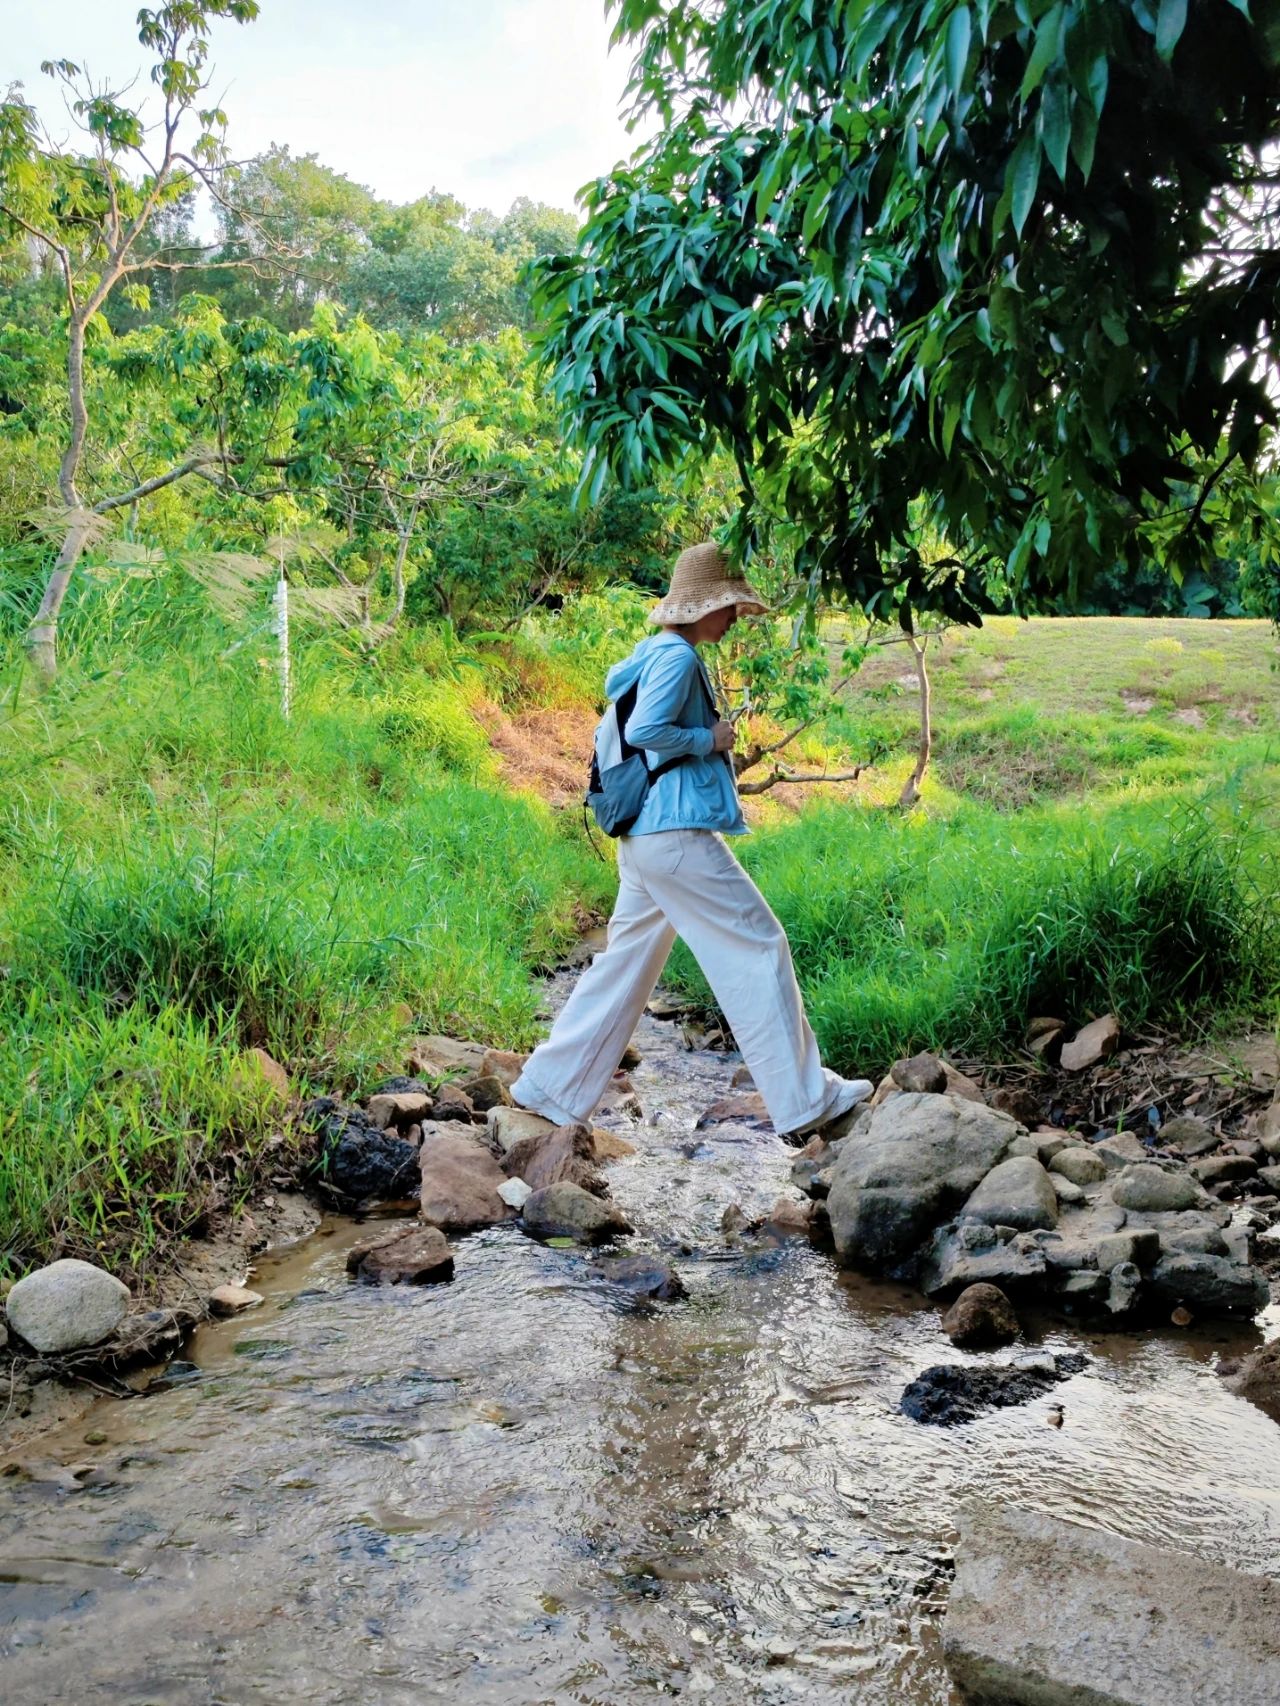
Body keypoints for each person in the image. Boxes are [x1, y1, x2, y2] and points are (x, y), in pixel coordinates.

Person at [511, 541, 873, 1139]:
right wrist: (712, 739)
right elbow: (648, 729)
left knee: (624, 966)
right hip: (673, 833)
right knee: (759, 944)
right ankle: (805, 1099)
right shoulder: (677, 659)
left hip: (644, 840)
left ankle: (549, 1087)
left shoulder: (650, 653)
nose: (734, 618)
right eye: (729, 607)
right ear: (703, 605)